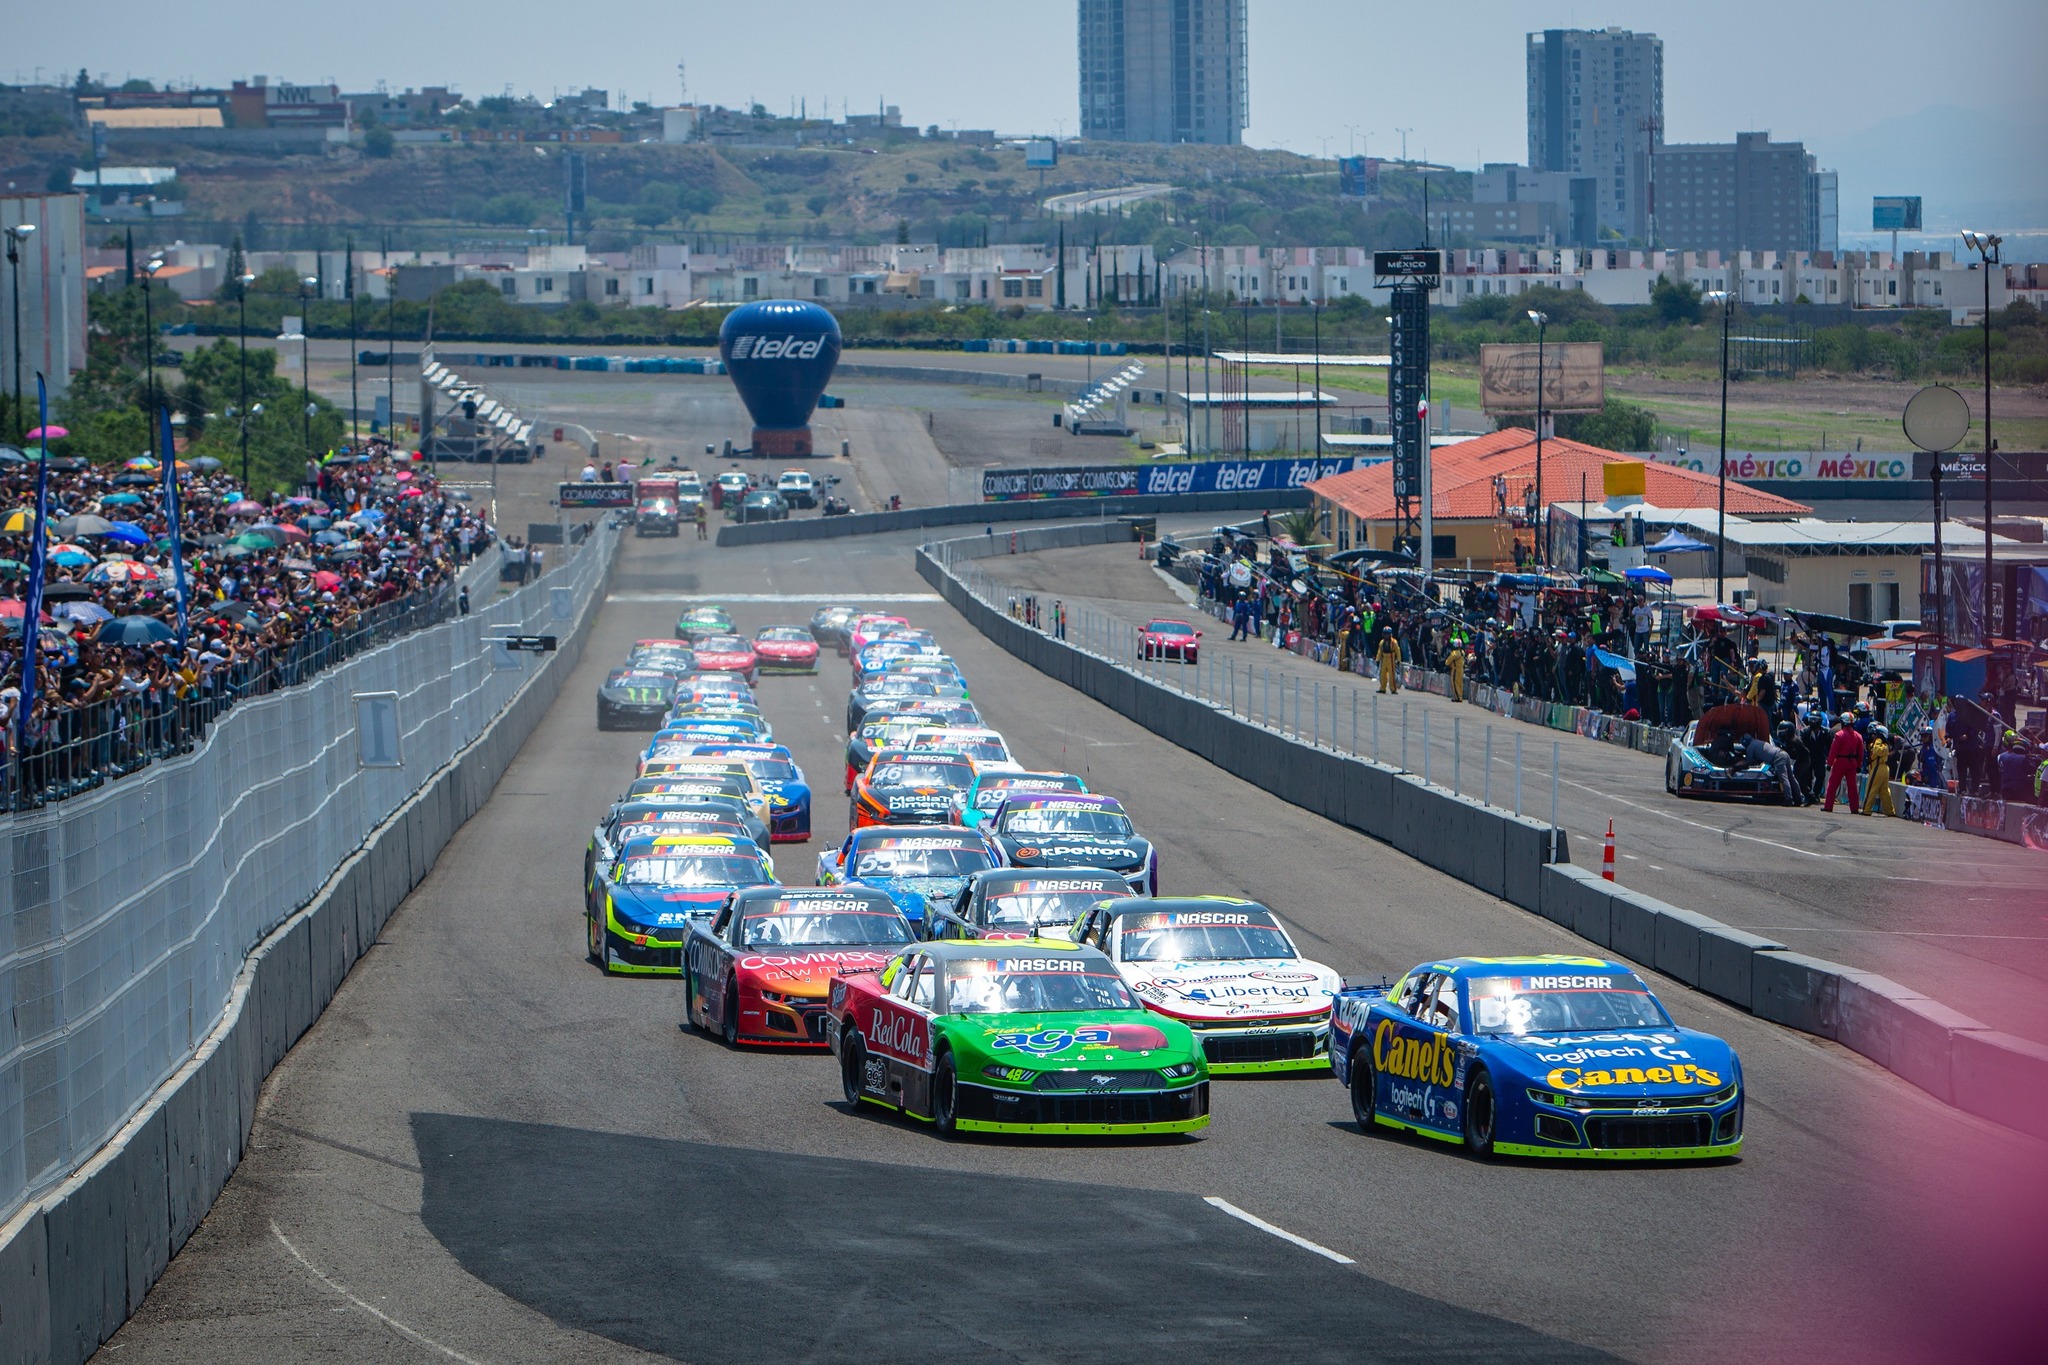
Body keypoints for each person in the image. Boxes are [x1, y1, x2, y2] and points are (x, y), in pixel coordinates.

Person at [1822, 712, 1866, 813]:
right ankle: (1854, 808)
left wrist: (1829, 763)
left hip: (1840, 762)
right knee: (1852, 786)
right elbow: (1861, 753)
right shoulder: (1858, 736)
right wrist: (1859, 765)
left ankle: (1828, 806)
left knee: (1833, 784)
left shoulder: (1839, 735)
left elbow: (1833, 750)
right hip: (1852, 762)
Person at [1863, 724, 1897, 817]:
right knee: (1884, 791)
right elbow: (1870, 748)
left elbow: (1877, 751)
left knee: (1871, 789)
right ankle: (1890, 811)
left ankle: (1866, 809)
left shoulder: (1884, 745)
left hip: (1879, 767)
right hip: (1881, 768)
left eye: (1875, 735)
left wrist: (1878, 739)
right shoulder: (1876, 744)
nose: (1873, 736)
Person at [1375, 628, 1402, 695]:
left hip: (1391, 659)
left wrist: (1398, 660)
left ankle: (1393, 689)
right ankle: (1382, 688)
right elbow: (1379, 651)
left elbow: (1398, 651)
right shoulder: (1382, 642)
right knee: (1382, 674)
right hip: (1384, 658)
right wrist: (1377, 659)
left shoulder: (1394, 642)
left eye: (1387, 634)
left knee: (1392, 675)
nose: (1386, 636)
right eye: (1385, 634)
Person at [1445, 634, 1466, 703]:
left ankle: (1457, 697)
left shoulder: (1454, 653)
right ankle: (1460, 696)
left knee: (1454, 683)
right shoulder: (1462, 652)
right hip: (1461, 669)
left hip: (1455, 669)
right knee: (1460, 683)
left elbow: (1447, 662)